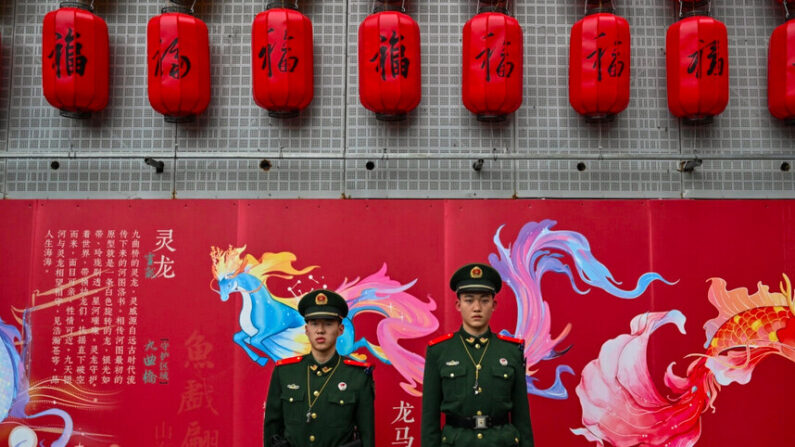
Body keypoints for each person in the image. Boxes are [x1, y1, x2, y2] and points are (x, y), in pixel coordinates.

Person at [421, 263, 534, 447]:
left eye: (484, 300)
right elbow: (429, 420)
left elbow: (522, 418)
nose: (476, 308)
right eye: (469, 299)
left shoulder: (511, 351)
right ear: (458, 305)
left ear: (494, 305)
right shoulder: (439, 351)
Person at [263, 289, 375, 447]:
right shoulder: (285, 372)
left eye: (328, 324)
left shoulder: (357, 375)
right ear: (306, 329)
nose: (320, 330)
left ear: (340, 329)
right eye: (314, 323)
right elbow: (271, 430)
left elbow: (367, 436)